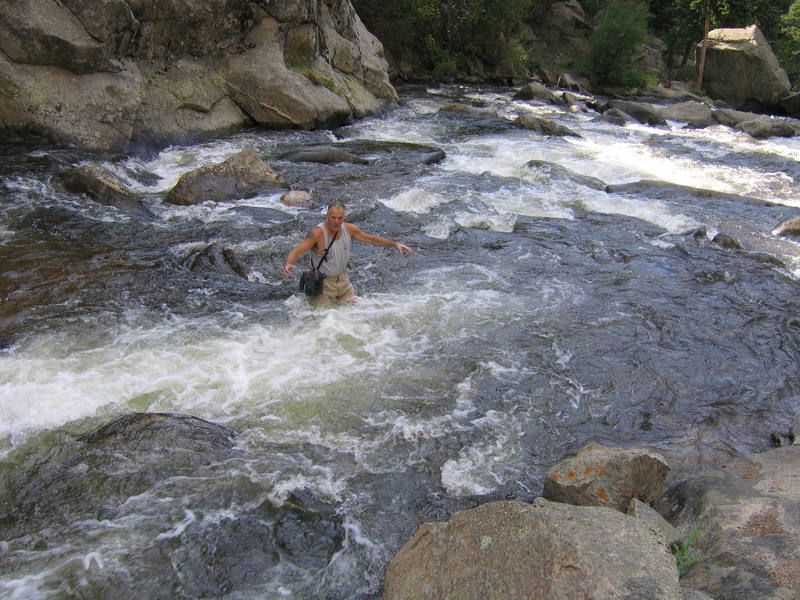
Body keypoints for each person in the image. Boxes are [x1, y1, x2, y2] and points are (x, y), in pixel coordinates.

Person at [283, 202, 414, 303]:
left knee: (356, 316)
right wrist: (289, 263)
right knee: (325, 322)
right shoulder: (317, 233)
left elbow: (370, 238)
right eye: (333, 217)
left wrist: (394, 244)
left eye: (340, 218)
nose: (336, 222)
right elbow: (297, 250)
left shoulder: (349, 229)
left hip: (343, 281)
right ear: (327, 216)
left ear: (344, 217)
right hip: (323, 285)